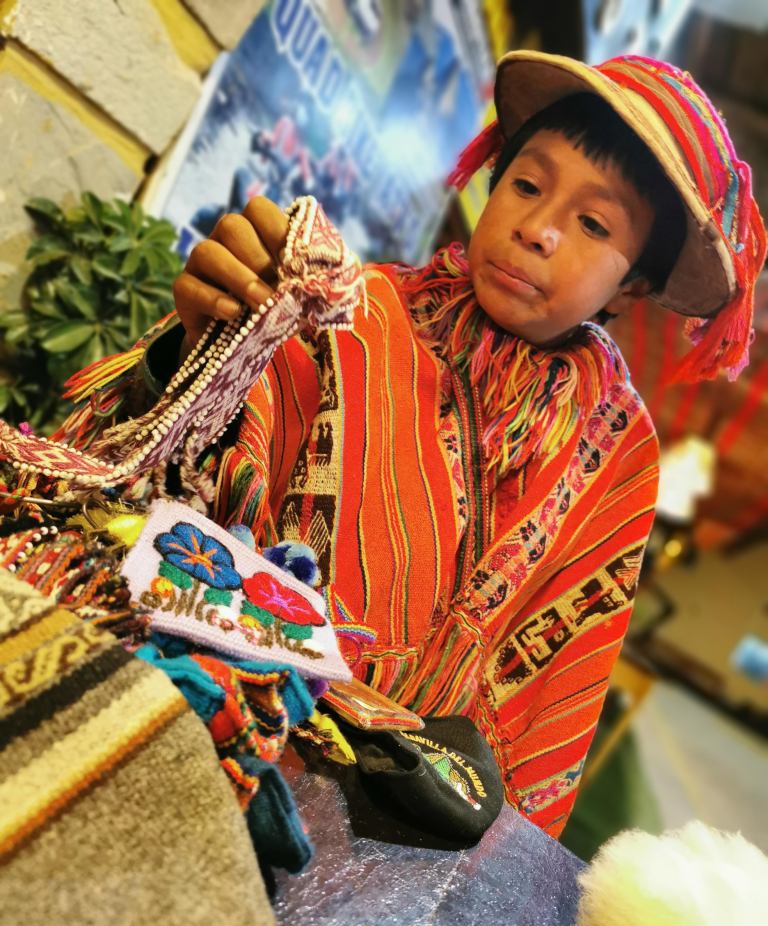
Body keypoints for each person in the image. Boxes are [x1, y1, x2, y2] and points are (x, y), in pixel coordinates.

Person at [57, 52, 766, 839]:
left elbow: (551, 700)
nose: (536, 229)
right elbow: (149, 470)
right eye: (527, 184)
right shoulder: (345, 311)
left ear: (632, 285)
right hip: (200, 721)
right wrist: (199, 349)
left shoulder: (616, 455)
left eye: (594, 224)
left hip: (398, 828)